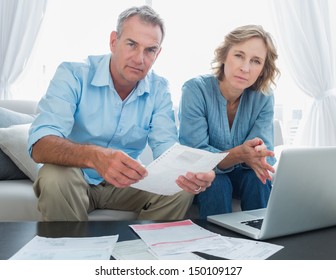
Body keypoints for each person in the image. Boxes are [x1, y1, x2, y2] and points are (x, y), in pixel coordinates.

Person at [28, 5, 215, 221]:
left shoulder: (159, 88)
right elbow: (39, 145)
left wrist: (194, 173)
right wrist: (94, 157)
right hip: (74, 177)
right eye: (132, 45)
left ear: (158, 53)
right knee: (53, 176)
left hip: (126, 184)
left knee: (181, 188)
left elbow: (166, 150)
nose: (139, 59)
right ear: (113, 41)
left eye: (150, 50)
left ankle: (140, 250)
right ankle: (72, 251)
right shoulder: (73, 74)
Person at [178, 25, 280, 219]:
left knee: (258, 179)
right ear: (224, 55)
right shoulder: (195, 90)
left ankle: (262, 243)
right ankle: (217, 246)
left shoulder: (264, 97)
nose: (245, 68)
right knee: (217, 182)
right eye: (239, 55)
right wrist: (239, 154)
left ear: (262, 70)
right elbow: (197, 157)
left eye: (256, 61)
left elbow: (260, 156)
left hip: (244, 176)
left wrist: (257, 155)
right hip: (207, 178)